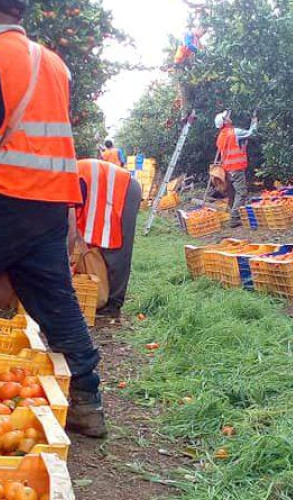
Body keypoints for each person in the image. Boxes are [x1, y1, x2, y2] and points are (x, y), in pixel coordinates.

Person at [0, 0, 105, 437]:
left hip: (6, 193)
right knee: (57, 302)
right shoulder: (55, 63)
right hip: (49, 203)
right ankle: (87, 404)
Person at [71, 159, 142, 318]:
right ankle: (103, 293)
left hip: (123, 190)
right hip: (105, 193)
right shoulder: (63, 179)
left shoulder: (65, 181)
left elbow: (70, 225)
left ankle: (114, 304)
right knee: (98, 246)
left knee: (117, 249)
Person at [215, 110, 258, 227]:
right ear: (224, 122)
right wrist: (254, 121)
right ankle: (234, 218)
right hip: (236, 168)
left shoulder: (221, 136)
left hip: (228, 169)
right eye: (227, 117)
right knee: (242, 192)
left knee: (233, 193)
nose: (229, 118)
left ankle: (234, 214)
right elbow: (252, 133)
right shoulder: (234, 132)